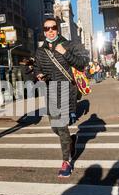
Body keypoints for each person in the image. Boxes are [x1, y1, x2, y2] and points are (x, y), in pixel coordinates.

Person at [34, 18, 89, 178]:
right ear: (44, 31)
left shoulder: (69, 45)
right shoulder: (40, 51)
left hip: (66, 90)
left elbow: (82, 63)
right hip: (50, 90)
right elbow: (38, 67)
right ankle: (71, 141)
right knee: (55, 127)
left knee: (62, 127)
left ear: (57, 29)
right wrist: (39, 75)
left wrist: (64, 52)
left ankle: (67, 162)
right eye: (47, 28)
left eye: (53, 27)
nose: (50, 31)